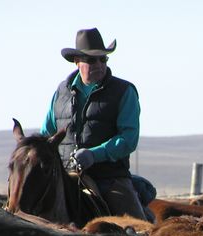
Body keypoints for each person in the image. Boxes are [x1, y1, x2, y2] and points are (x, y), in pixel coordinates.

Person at [40, 27, 154, 221]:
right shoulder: (60, 93)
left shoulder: (124, 91)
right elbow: (47, 134)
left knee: (137, 229)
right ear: (77, 61)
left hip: (109, 178)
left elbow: (128, 139)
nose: (99, 64)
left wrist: (95, 154)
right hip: (64, 176)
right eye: (92, 59)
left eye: (103, 59)